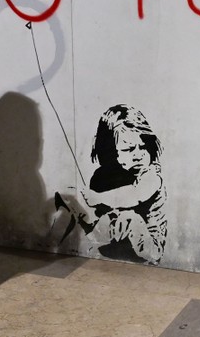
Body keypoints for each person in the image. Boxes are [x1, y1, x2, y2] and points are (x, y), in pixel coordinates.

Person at [55, 104, 167, 264]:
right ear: (111, 151)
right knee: (75, 207)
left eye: (143, 147)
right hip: (115, 239)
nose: (138, 155)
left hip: (151, 245)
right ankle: (52, 245)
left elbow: (134, 196)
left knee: (129, 217)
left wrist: (95, 198)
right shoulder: (104, 176)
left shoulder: (151, 174)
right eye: (128, 149)